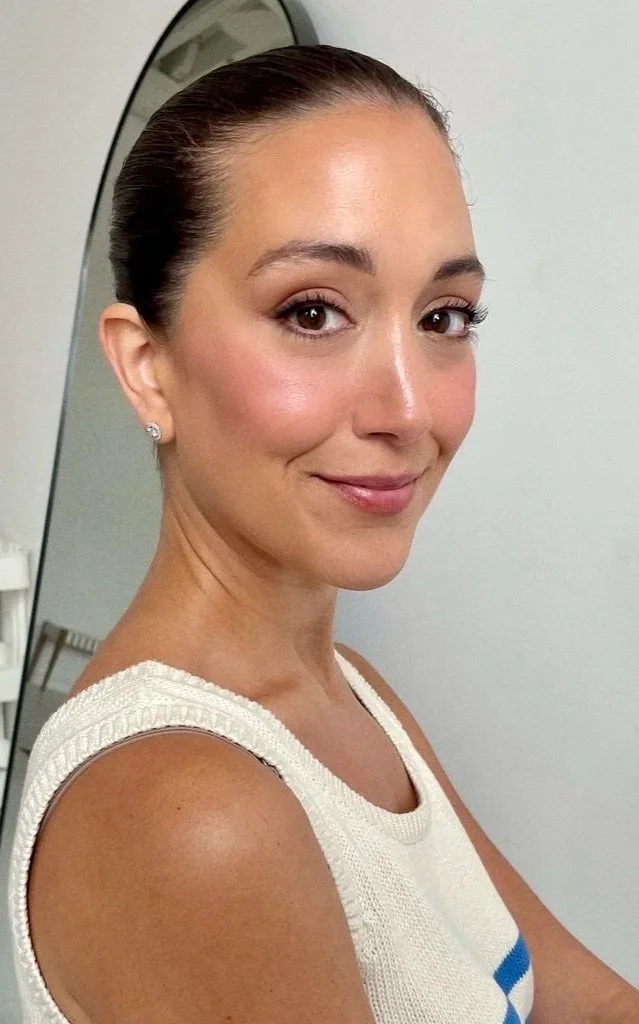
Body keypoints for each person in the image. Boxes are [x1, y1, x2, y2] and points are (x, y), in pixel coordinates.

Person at [8, 43, 639, 1024]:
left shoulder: (356, 697)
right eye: (313, 311)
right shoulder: (189, 812)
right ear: (146, 367)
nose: (407, 409)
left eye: (444, 315)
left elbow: (585, 1002)